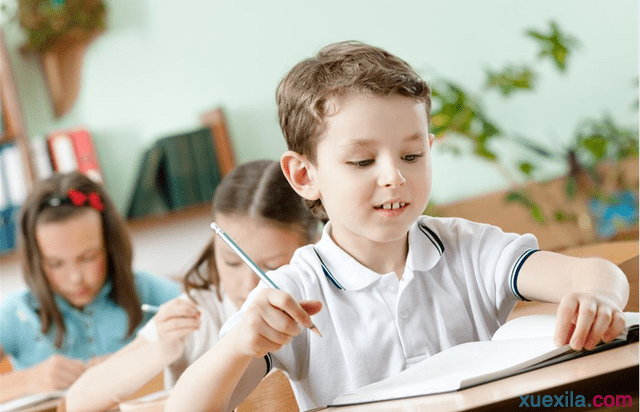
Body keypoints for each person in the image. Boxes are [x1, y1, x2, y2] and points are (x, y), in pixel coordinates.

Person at [165, 41, 630, 412]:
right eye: (362, 160)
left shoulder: (470, 249)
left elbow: (595, 273)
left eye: (412, 155)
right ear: (305, 176)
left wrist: (600, 298)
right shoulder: (293, 292)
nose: (394, 176)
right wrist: (239, 345)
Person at [65, 159, 320, 412]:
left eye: (271, 267)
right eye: (232, 262)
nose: (248, 284)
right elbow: (78, 401)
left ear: (312, 247)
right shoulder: (200, 312)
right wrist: (161, 349)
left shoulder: (325, 300)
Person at [0, 171, 180, 400]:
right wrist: (29, 380)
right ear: (36, 260)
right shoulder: (15, 312)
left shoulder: (148, 291)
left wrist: (137, 362)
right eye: (55, 264)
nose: (75, 278)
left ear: (109, 244)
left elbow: (217, 341)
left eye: (88, 257)